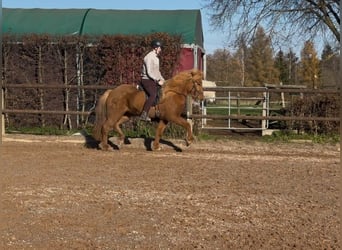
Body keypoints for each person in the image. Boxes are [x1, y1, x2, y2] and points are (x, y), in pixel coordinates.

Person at [140, 40, 165, 121]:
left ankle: (157, 111)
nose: (161, 49)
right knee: (153, 95)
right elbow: (149, 72)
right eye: (160, 48)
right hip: (147, 79)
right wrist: (158, 81)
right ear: (155, 48)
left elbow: (157, 72)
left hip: (153, 79)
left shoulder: (156, 58)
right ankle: (144, 114)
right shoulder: (148, 57)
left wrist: (163, 80)